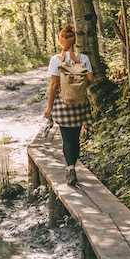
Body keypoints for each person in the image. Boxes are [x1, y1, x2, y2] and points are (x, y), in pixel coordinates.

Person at [43, 24, 95, 186]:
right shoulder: (84, 58)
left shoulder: (56, 60)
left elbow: (54, 85)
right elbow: (91, 80)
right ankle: (73, 165)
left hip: (63, 103)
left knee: (66, 139)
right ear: (75, 41)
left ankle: (70, 169)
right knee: (75, 137)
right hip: (80, 103)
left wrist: (49, 107)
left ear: (61, 41)